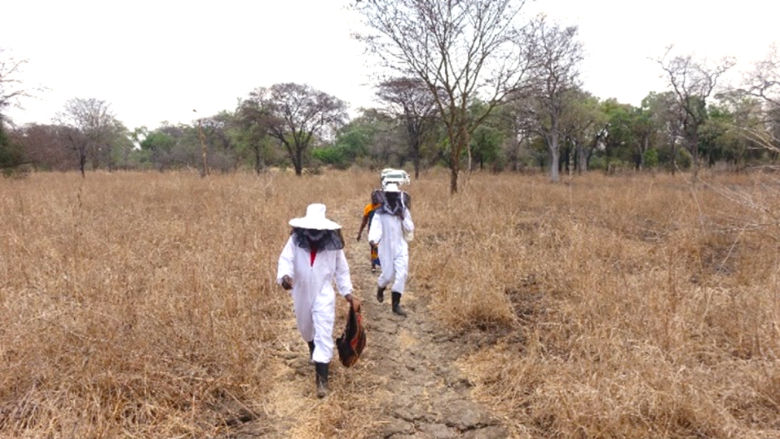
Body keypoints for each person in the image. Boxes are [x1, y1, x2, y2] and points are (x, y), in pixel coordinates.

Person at [277, 203, 361, 398]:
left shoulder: (333, 246)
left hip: (324, 293)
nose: (314, 232)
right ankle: (312, 347)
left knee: (324, 332)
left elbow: (342, 270)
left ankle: (322, 380)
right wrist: (285, 277)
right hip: (300, 292)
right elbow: (285, 260)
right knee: (306, 329)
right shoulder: (295, 240)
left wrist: (348, 293)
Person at [368, 183, 414, 317]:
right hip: (385, 247)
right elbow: (375, 228)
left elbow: (410, 228)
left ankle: (396, 305)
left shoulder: (404, 211)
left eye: (395, 195)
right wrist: (373, 240)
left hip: (401, 246)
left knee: (402, 274)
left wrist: (403, 217)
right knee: (388, 275)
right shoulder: (380, 213)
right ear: (385, 196)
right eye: (390, 195)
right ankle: (381, 287)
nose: (393, 197)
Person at [356, 190, 382, 272]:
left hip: (381, 230)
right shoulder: (368, 208)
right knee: (373, 246)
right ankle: (373, 265)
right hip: (371, 230)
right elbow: (364, 222)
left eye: (376, 197)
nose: (374, 199)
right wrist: (359, 233)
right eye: (373, 197)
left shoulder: (382, 207)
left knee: (381, 247)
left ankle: (383, 263)